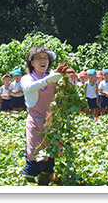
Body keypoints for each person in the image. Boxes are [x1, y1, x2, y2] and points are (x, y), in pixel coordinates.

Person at [21, 45, 72, 185]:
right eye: (38, 58)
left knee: (51, 157)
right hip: (36, 122)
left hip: (52, 122)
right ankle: (27, 184)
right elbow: (29, 88)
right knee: (34, 158)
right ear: (31, 62)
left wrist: (66, 79)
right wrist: (49, 80)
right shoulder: (27, 78)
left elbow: (68, 92)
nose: (43, 60)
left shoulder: (52, 77)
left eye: (45, 58)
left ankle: (45, 184)